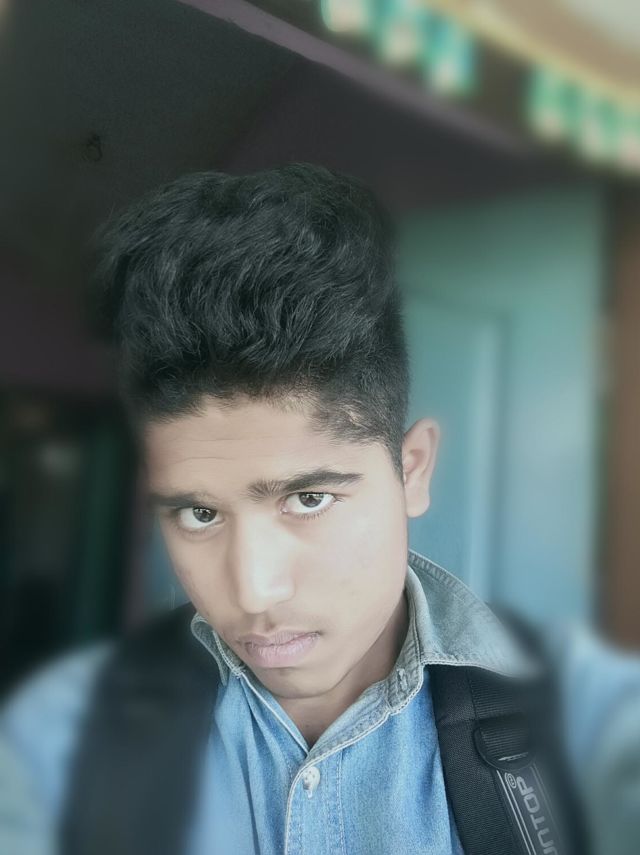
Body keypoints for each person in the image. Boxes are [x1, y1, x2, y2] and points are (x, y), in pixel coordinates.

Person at [1, 164, 639, 855]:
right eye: (198, 514)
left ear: (412, 469)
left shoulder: (594, 725)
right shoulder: (62, 738)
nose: (254, 591)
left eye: (308, 499)